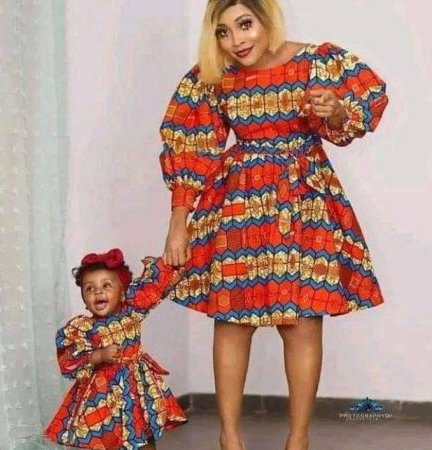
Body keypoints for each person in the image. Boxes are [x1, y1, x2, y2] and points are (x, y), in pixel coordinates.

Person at [159, 1, 388, 449]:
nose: (236, 40)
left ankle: (298, 440)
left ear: (266, 18)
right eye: (223, 31)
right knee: (231, 320)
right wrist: (178, 220)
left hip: (304, 203)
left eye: (244, 24)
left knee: (301, 322)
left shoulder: (316, 62)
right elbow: (191, 146)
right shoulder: (215, 75)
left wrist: (335, 110)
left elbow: (353, 120)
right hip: (239, 204)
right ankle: (229, 439)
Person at [44, 248, 187, 449]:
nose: (98, 292)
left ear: (122, 293)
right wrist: (99, 355)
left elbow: (153, 288)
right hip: (102, 394)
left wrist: (171, 262)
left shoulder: (131, 313)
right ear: (84, 300)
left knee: (142, 433)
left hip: (136, 389)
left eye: (106, 285)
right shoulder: (84, 328)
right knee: (104, 437)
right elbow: (69, 360)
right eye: (89, 289)